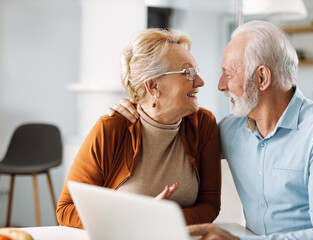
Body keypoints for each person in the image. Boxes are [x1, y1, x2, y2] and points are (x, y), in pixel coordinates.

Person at [110, 20, 313, 239]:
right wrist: (138, 106)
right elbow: (174, 137)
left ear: (262, 78)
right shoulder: (231, 130)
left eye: (228, 74)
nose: (219, 85)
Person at [57, 28, 221, 229]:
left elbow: (210, 205)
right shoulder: (111, 129)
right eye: (188, 72)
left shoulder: (204, 124)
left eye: (196, 71)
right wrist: (135, 219)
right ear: (153, 86)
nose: (200, 82)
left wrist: (159, 219)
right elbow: (66, 209)